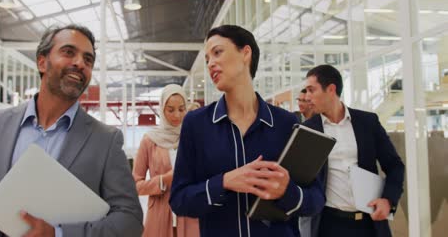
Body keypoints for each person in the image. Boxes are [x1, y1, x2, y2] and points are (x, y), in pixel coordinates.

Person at [0, 24, 143, 237]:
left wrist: (58, 234)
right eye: (68, 52)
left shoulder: (105, 140)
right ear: (41, 62)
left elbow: (130, 220)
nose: (80, 63)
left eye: (88, 60)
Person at [170, 25, 325, 237]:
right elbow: (179, 200)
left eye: (217, 52)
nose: (210, 63)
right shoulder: (196, 124)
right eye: (207, 59)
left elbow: (315, 200)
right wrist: (223, 182)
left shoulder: (285, 123)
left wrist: (286, 191)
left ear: (245, 53)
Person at [301, 64, 405, 237]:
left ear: (331, 89)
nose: (307, 97)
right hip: (327, 226)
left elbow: (395, 166)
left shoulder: (368, 122)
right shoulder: (307, 131)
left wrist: (388, 199)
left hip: (369, 225)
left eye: (312, 90)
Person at [132, 84, 199, 237]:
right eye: (170, 110)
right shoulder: (149, 140)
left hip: (190, 215)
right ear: (162, 109)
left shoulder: (192, 138)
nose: (177, 115)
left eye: (182, 109)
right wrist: (164, 180)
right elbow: (135, 186)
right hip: (159, 216)